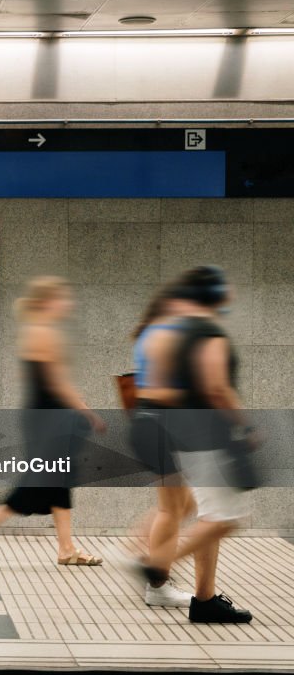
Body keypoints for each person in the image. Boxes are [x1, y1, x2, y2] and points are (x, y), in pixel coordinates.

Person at [0, 276, 105, 566]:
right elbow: (57, 382)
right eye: (63, 298)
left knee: (58, 481)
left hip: (44, 415)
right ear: (48, 301)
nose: (68, 303)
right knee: (38, 481)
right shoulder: (43, 332)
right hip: (50, 417)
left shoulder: (34, 331)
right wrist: (86, 410)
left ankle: (67, 549)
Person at [139, 266, 255, 623]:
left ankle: (204, 600)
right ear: (216, 293)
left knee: (208, 514)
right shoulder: (206, 332)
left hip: (183, 438)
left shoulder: (174, 333)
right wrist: (246, 423)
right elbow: (216, 388)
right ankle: (157, 565)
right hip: (207, 438)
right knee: (224, 518)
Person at [128, 283, 198, 607]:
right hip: (156, 428)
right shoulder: (162, 336)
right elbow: (158, 393)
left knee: (184, 506)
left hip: (152, 429)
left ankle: (143, 554)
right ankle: (157, 583)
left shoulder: (153, 333)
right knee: (173, 508)